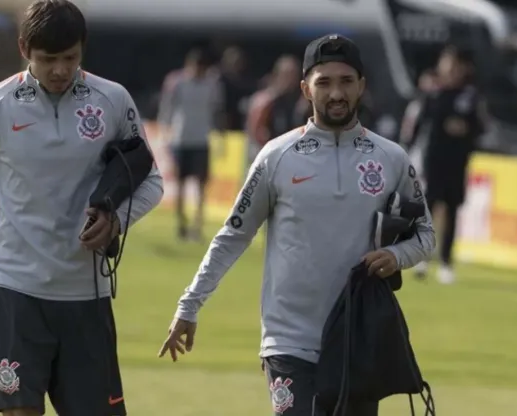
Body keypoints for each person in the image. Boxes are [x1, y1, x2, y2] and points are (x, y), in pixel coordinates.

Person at [158, 34, 435, 416]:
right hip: (288, 341)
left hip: (357, 338)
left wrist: (396, 254)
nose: (336, 93)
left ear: (362, 86)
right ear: (306, 88)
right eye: (324, 83)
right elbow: (233, 235)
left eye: (345, 81)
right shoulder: (277, 156)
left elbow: (425, 235)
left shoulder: (391, 158)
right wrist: (189, 306)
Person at [0, 2, 164, 415]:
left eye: (70, 58)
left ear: (83, 49)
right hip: (14, 287)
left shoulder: (112, 100)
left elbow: (151, 180)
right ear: (25, 48)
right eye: (47, 59)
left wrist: (115, 220)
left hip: (85, 293)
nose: (60, 70)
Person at [412, 45, 487, 284]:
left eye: (455, 66)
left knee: (452, 210)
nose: (451, 70)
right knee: (428, 209)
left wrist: (466, 130)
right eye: (447, 65)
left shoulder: (470, 96)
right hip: (433, 159)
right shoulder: (432, 92)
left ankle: (446, 262)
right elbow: (418, 123)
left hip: (457, 161)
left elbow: (481, 127)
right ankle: (423, 258)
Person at [158, 48, 224, 241]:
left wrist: (218, 132)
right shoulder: (177, 82)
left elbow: (216, 109)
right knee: (180, 183)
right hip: (181, 138)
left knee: (201, 185)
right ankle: (181, 224)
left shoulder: (212, 85)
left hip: (202, 139)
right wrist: (165, 132)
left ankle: (197, 224)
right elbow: (167, 107)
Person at [245, 55, 307, 170]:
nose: (290, 80)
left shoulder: (302, 102)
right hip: (268, 159)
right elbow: (256, 132)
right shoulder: (264, 101)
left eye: (294, 75)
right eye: (287, 75)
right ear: (277, 75)